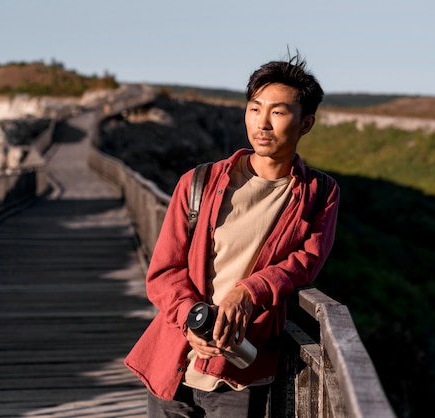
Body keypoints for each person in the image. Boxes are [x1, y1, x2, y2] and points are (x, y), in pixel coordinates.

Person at [125, 51, 340, 417]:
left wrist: (248, 292)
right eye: (255, 109)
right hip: (175, 362)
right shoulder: (199, 183)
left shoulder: (318, 193)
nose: (263, 123)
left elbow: (306, 261)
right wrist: (189, 315)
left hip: (239, 373)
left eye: (278, 112)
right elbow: (163, 271)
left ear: (305, 124)